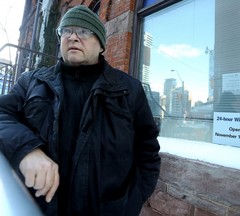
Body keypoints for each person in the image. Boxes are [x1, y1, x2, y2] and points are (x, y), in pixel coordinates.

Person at [0, 5, 161, 216]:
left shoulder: (129, 90)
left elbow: (148, 151)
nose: (73, 37)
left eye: (84, 31)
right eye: (66, 30)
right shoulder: (32, 82)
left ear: (102, 45)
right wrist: (27, 149)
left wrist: (132, 202)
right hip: (38, 208)